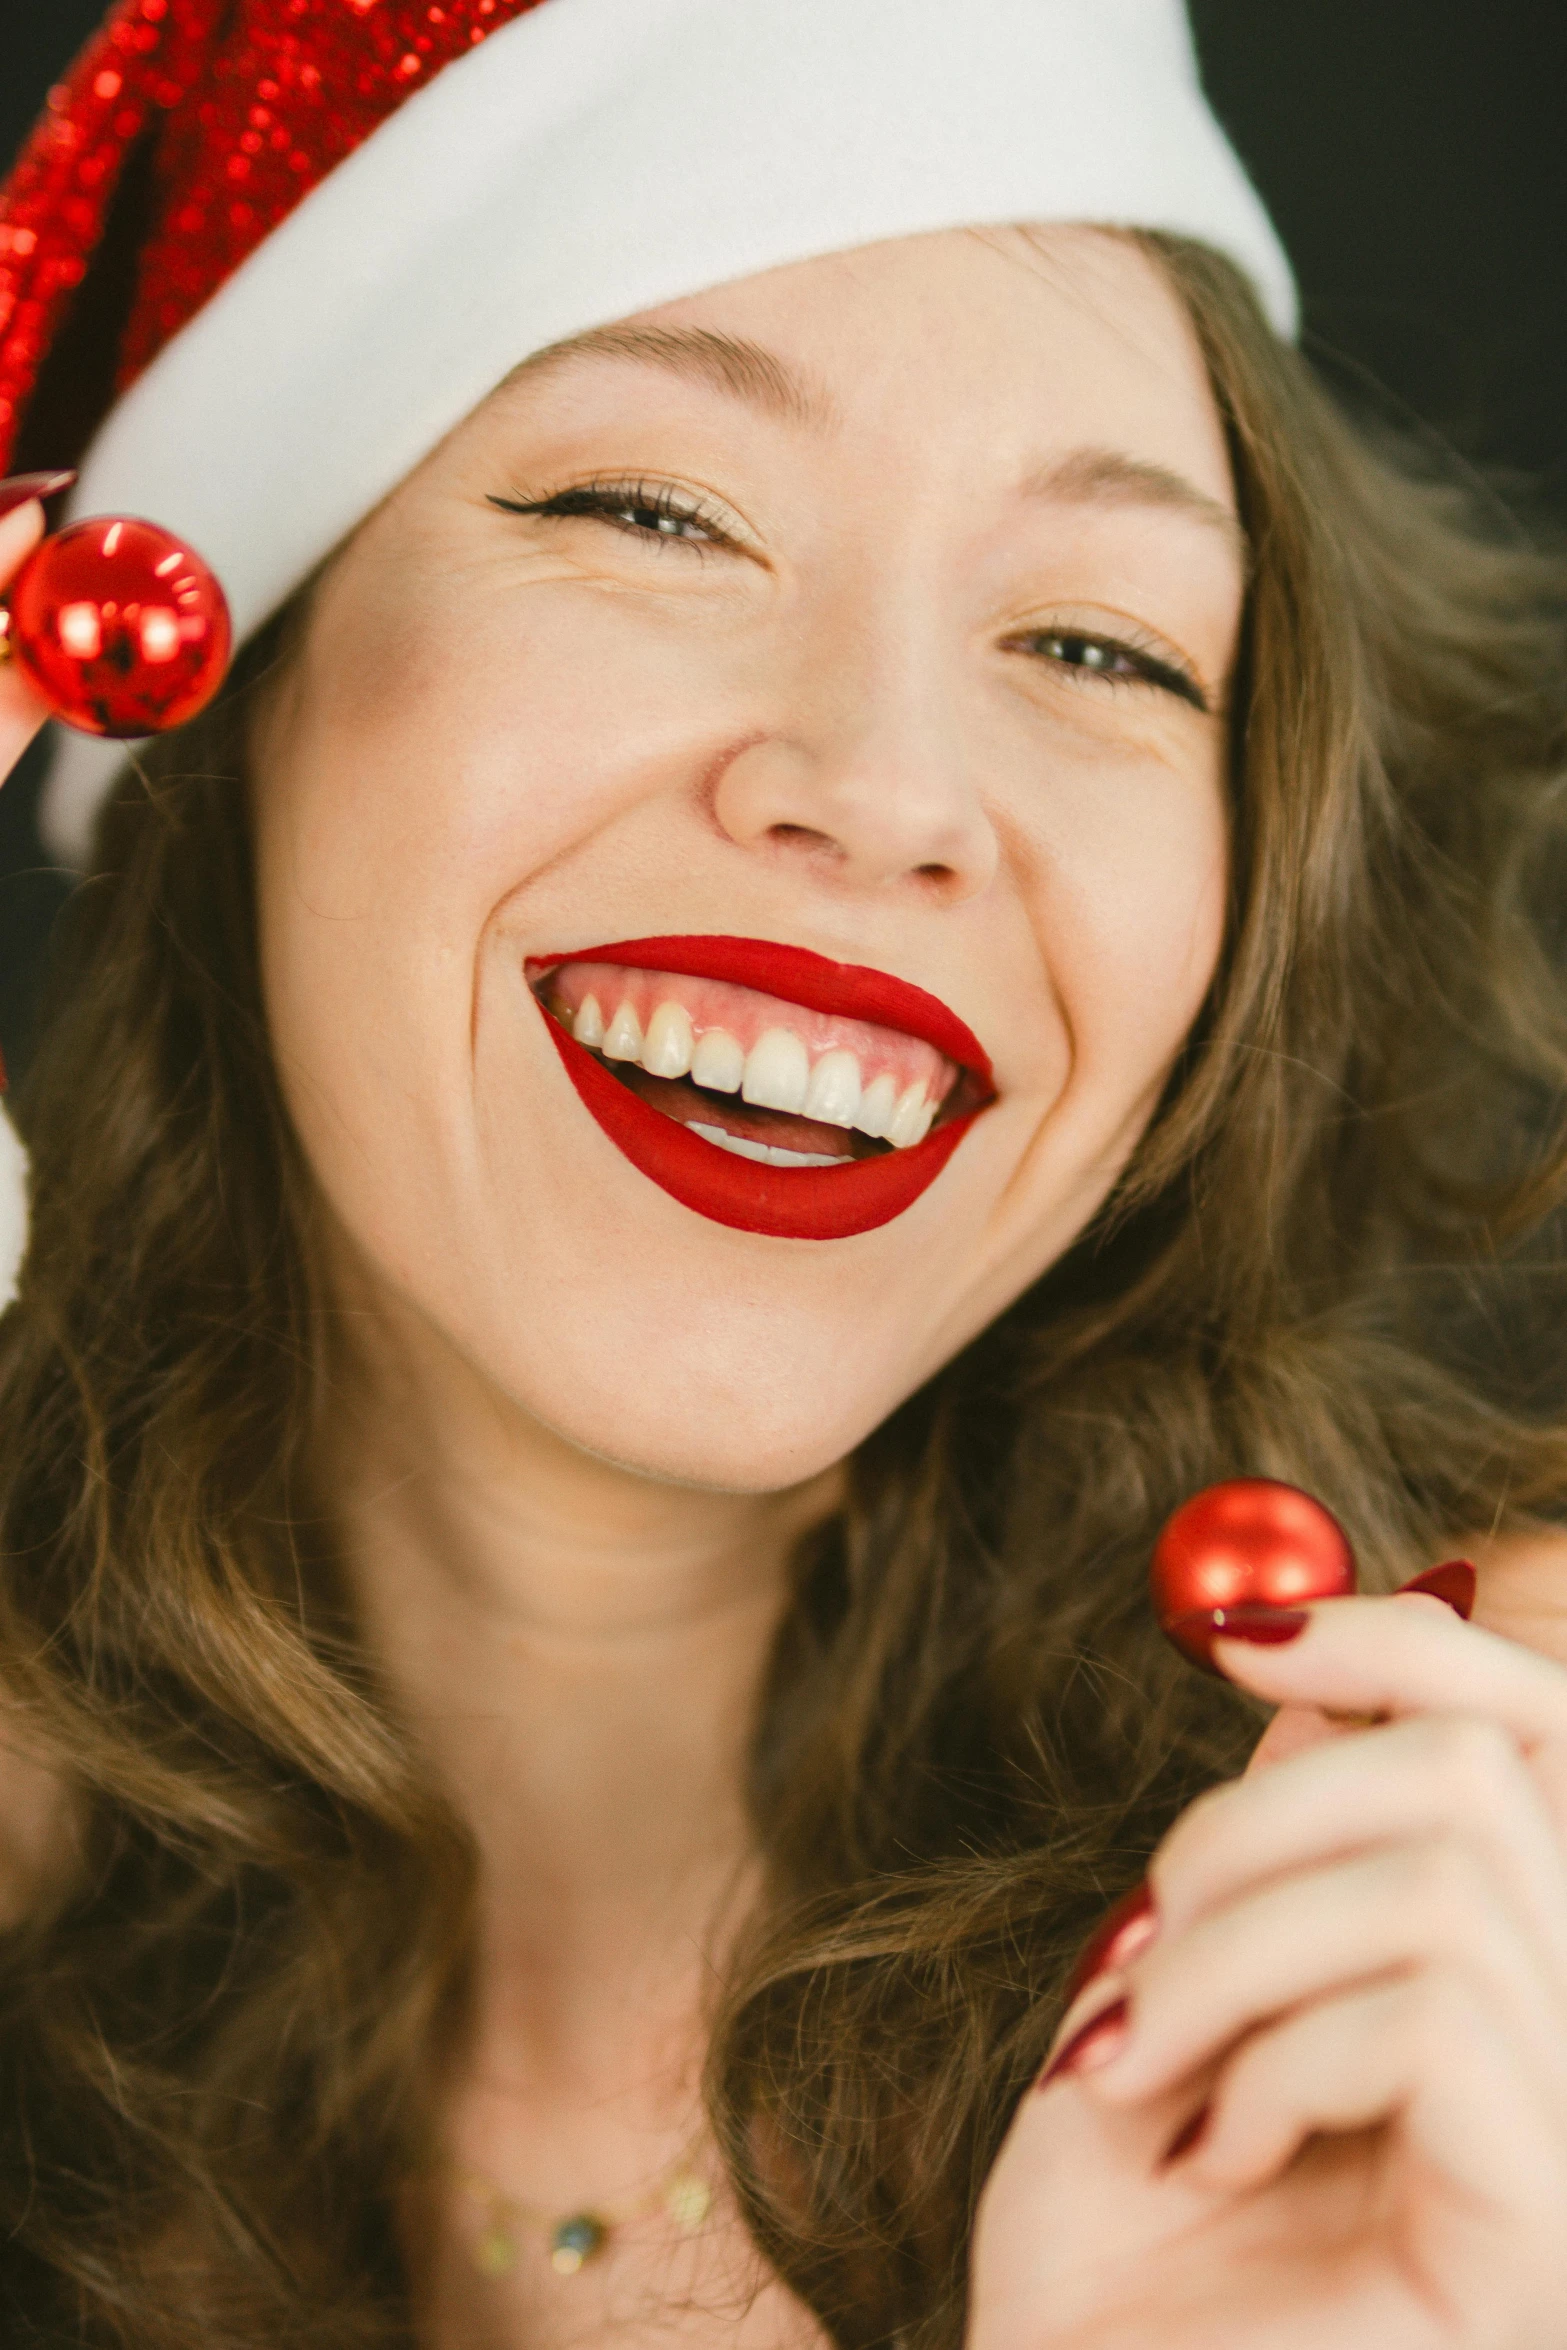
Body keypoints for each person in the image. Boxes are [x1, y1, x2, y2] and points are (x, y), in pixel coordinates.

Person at [2, 3, 1567, 2344]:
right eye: (654, 513)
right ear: (223, 679)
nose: (892, 784)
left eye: (1095, 640)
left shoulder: (1491, 1913)